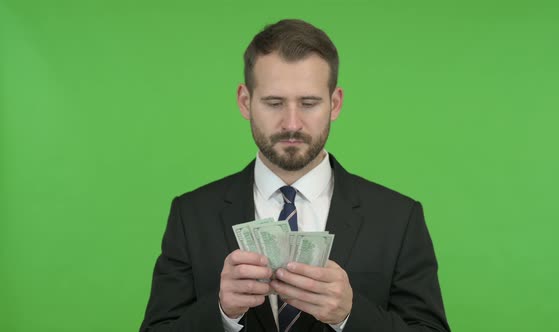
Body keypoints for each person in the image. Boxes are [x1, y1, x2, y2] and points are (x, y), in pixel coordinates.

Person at [140, 19, 450, 332]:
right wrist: (222, 312)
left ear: (335, 103)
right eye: (274, 103)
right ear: (245, 102)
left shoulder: (399, 218)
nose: (292, 123)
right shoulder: (191, 214)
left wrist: (349, 315)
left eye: (309, 103)